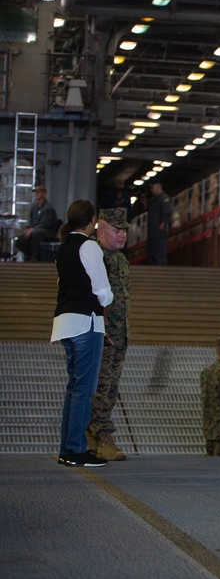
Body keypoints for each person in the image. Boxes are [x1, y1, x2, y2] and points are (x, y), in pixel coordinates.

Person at [51, 199, 114, 467]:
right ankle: (76, 449)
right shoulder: (89, 246)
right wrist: (108, 299)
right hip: (86, 322)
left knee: (73, 389)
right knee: (84, 389)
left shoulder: (63, 248)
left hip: (64, 322)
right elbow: (102, 290)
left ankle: (67, 448)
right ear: (92, 221)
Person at [86, 208, 131, 461]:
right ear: (101, 232)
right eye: (117, 230)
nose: (122, 235)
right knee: (101, 388)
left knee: (110, 388)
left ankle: (92, 436)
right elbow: (90, 294)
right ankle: (102, 436)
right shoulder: (96, 256)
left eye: (124, 230)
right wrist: (100, 328)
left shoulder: (121, 260)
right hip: (102, 335)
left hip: (119, 335)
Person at [14, 185, 60, 261]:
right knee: (20, 240)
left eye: (38, 192)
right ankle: (29, 254)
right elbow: (31, 220)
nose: (36, 194)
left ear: (44, 194)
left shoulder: (48, 208)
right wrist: (28, 228)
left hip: (48, 231)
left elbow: (46, 223)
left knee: (36, 233)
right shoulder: (34, 207)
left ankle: (35, 256)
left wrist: (33, 229)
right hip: (35, 229)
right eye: (35, 192)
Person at [146, 182, 172, 265]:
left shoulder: (164, 198)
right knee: (152, 246)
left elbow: (167, 211)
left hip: (159, 227)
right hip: (152, 228)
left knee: (159, 245)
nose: (152, 190)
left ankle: (161, 262)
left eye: (153, 188)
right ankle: (153, 262)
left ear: (158, 187)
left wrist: (163, 222)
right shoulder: (153, 200)